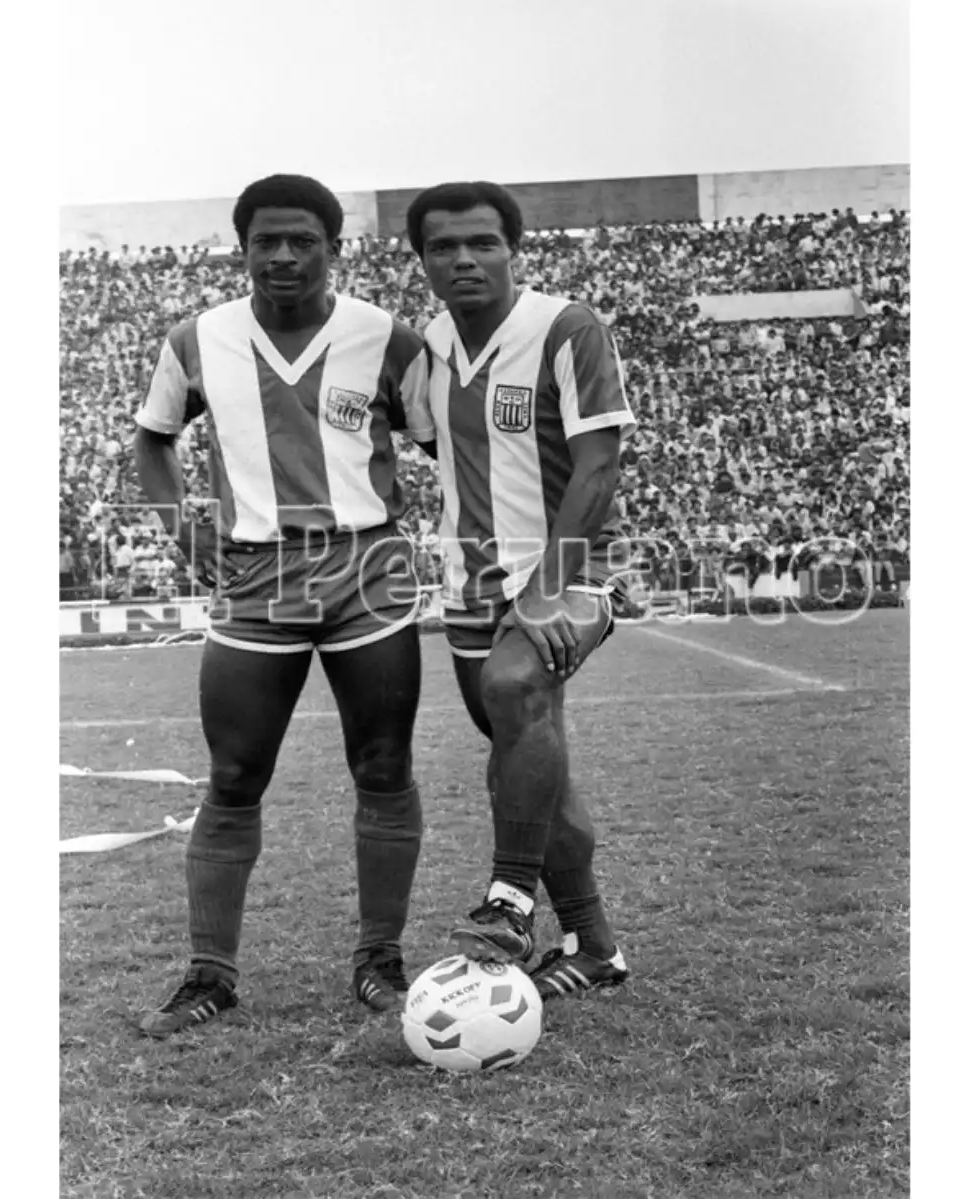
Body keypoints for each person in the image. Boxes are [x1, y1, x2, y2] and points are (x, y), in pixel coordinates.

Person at [131, 174, 436, 1037]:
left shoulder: (387, 338)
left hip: (366, 570)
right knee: (234, 775)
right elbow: (153, 439)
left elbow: (445, 445)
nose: (283, 255)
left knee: (383, 765)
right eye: (266, 240)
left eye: (303, 239)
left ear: (333, 248)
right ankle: (210, 973)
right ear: (243, 248)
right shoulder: (197, 339)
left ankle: (379, 959)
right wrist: (180, 528)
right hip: (256, 579)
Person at [400, 180, 633, 1001]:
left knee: (512, 686)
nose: (463, 259)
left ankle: (508, 900)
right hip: (472, 582)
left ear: (513, 249)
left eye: (482, 243)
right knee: (528, 762)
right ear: (422, 260)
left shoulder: (567, 328)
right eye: (443, 247)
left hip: (570, 571)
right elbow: (444, 451)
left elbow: (600, 461)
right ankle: (595, 946)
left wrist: (547, 587)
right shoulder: (429, 346)